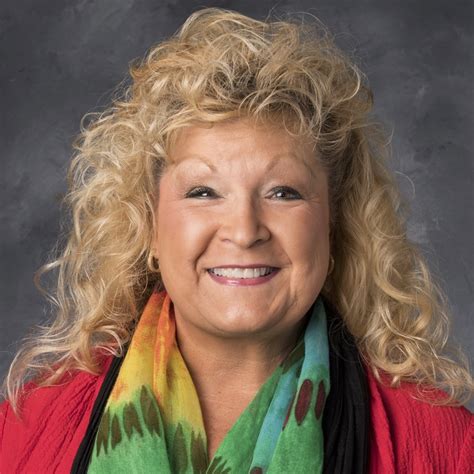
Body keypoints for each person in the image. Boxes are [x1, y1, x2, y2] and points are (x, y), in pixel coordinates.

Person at [0, 7, 472, 474]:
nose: (245, 232)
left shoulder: (447, 447)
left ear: (333, 225)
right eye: (203, 192)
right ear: (149, 227)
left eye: (283, 193)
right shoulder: (23, 431)